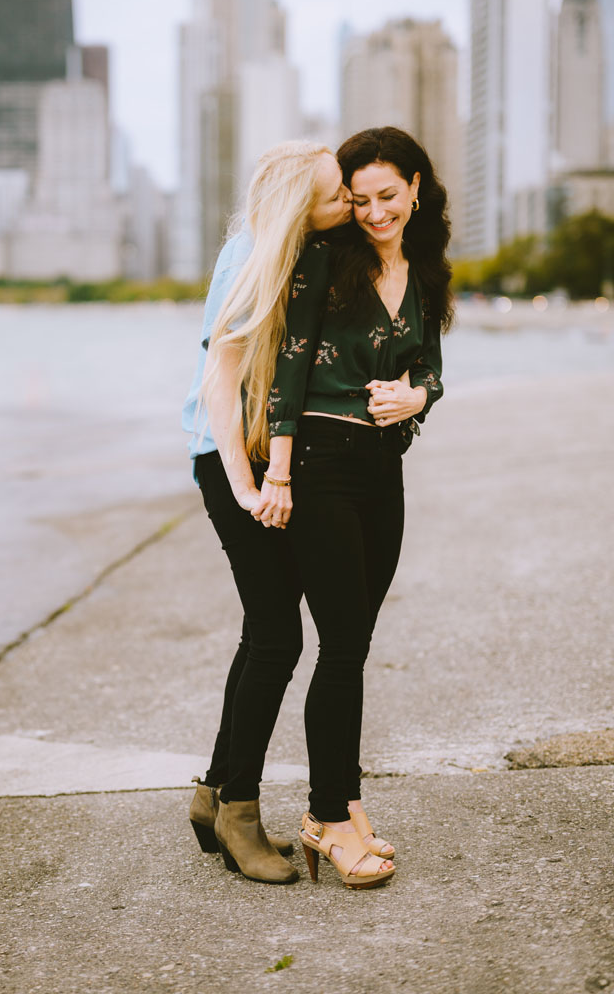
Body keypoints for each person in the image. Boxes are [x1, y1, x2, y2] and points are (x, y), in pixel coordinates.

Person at [258, 125, 453, 888]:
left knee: (355, 645)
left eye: (387, 197)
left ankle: (344, 800)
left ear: (414, 188)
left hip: (382, 469)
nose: (373, 213)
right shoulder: (325, 259)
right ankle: (328, 818)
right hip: (319, 464)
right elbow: (288, 366)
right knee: (340, 645)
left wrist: (416, 396)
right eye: (359, 198)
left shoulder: (429, 272)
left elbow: (430, 371)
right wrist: (278, 474)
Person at [182, 140, 352, 884]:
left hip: (251, 456)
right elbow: (219, 386)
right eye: (337, 194)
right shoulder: (257, 256)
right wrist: (246, 487)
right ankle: (238, 811)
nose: (348, 201)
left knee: (266, 629)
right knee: (279, 635)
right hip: (228, 458)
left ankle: (212, 790)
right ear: (298, 207)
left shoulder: (299, 249)